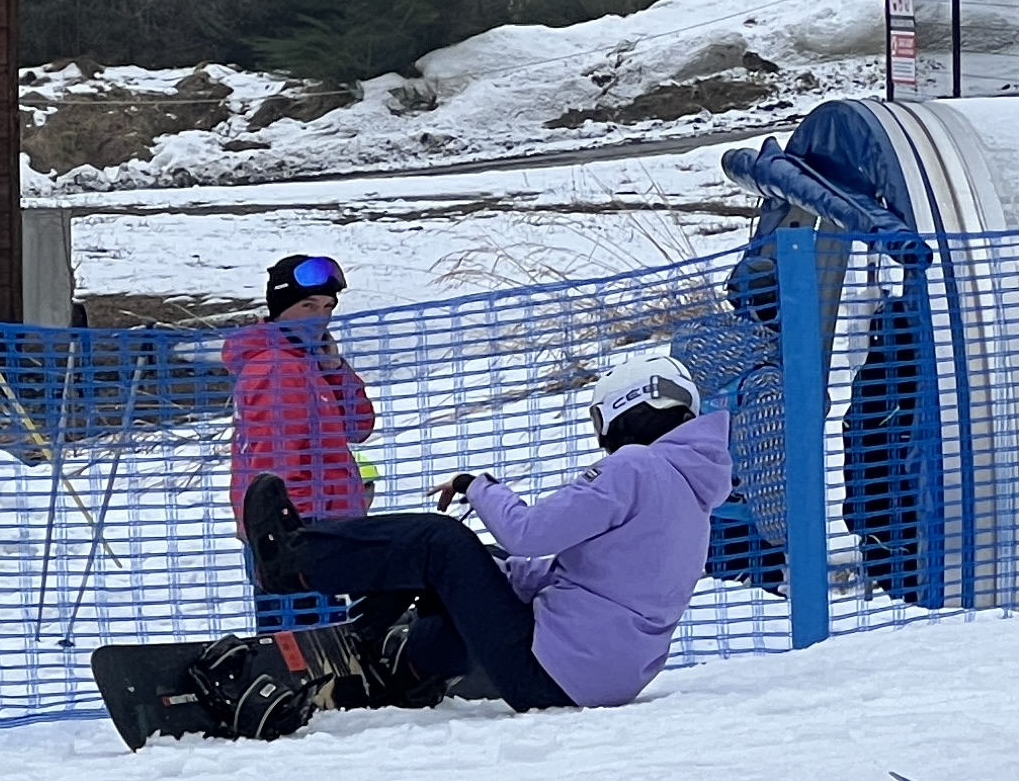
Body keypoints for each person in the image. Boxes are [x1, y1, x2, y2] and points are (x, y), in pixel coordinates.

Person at [240, 357, 732, 714]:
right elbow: (584, 581)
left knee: (438, 541)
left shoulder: (637, 466)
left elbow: (528, 533)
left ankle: (292, 560)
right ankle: (408, 670)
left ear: (627, 405)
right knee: (477, 562)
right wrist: (486, 567)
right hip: (597, 676)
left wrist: (475, 485)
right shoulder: (693, 497)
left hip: (552, 671)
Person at [227, 252, 377, 520]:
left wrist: (335, 370)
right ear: (281, 308)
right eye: (309, 305)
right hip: (306, 527)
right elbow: (275, 464)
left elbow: (358, 427)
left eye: (328, 306)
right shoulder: (278, 368)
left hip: (328, 524)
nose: (321, 317)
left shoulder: (306, 362)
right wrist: (294, 531)